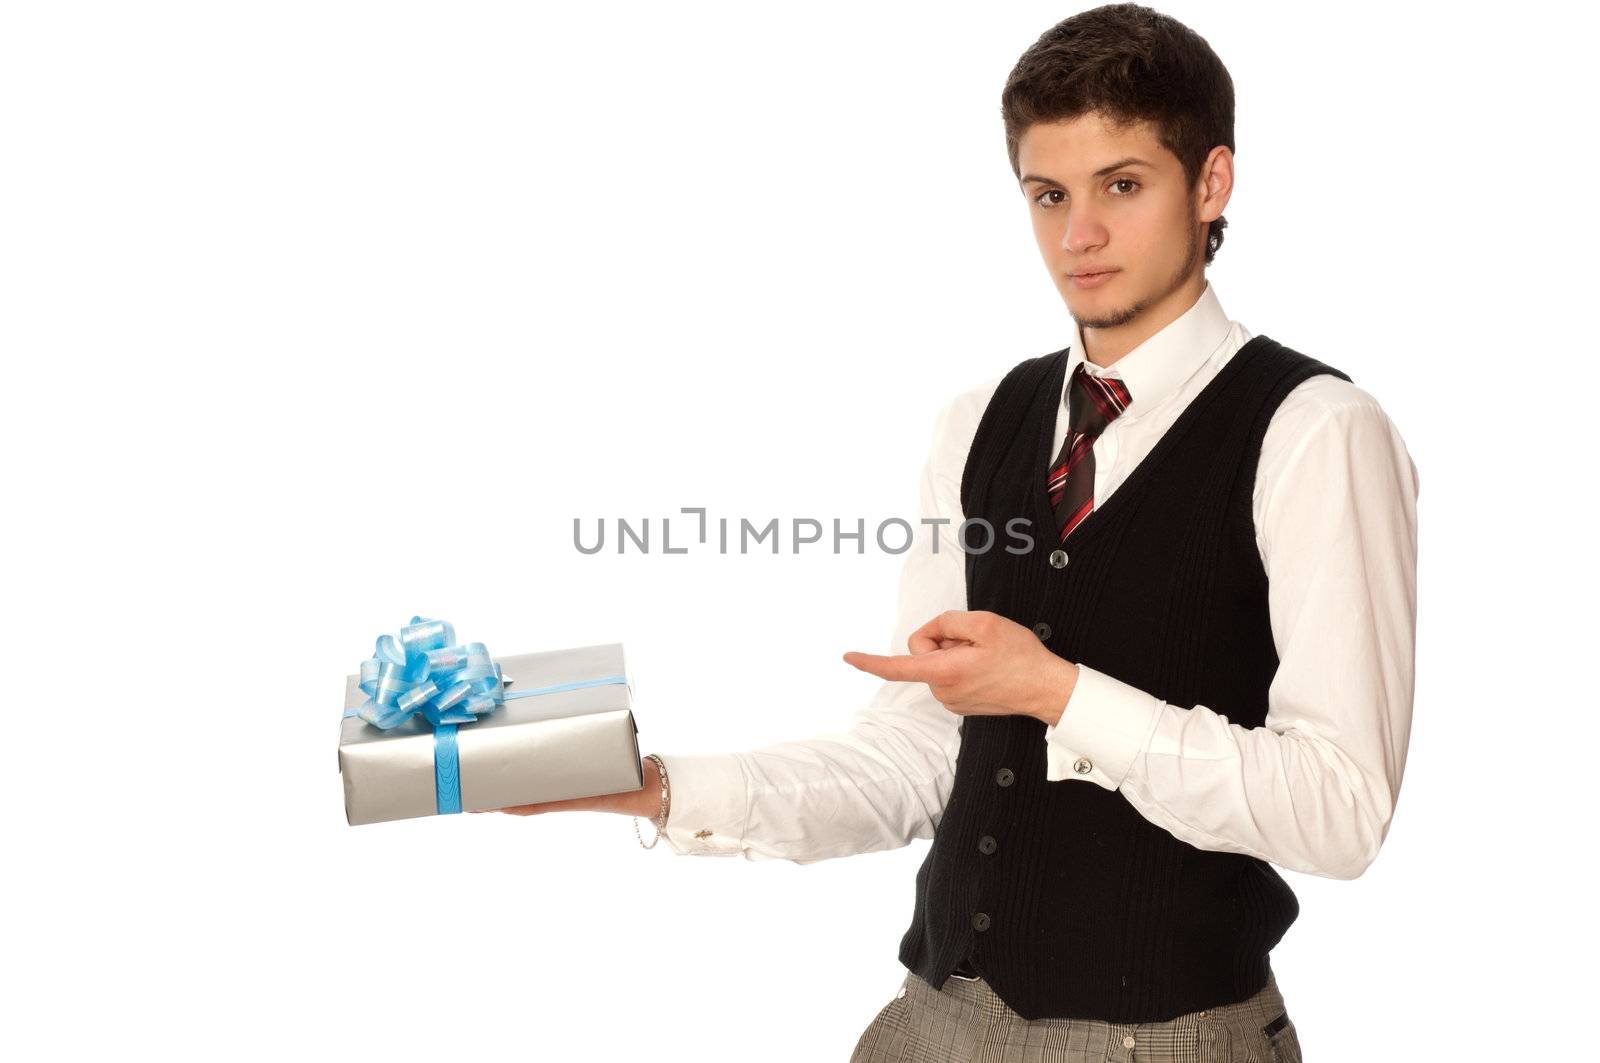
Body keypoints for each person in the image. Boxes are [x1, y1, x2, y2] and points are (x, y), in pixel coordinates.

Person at [477, 5, 1418, 1060]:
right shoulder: (979, 422)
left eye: (1122, 185)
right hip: (934, 1026)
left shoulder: (1315, 432)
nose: (1079, 237)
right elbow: (919, 758)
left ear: (1209, 185)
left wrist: (1057, 691)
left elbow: (1343, 810)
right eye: (1047, 195)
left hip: (1167, 1040)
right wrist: (649, 788)